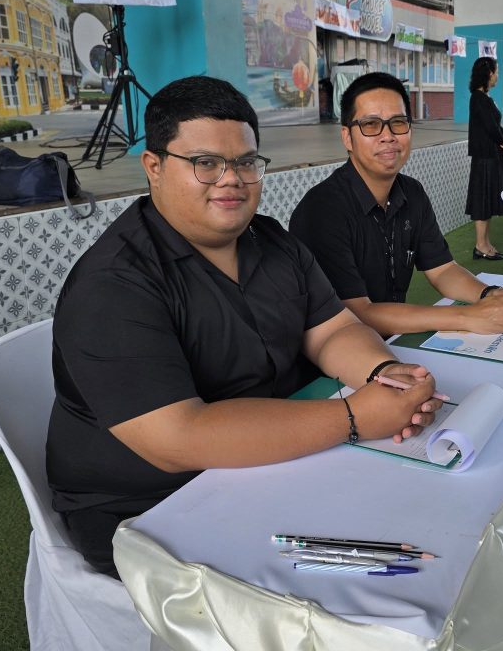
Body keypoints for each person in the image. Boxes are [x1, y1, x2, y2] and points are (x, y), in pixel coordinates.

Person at [47, 76, 443, 577]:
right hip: (154, 507)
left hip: (268, 461)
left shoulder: (271, 241)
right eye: (205, 163)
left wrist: (384, 375)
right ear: (154, 166)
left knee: (421, 515)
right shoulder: (114, 284)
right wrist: (355, 417)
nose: (230, 179)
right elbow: (179, 438)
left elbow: (332, 330)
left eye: (245, 162)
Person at [289, 71, 503, 338]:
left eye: (398, 122)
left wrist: (491, 295)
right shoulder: (321, 211)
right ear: (347, 137)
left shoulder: (412, 193)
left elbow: (442, 270)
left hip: (393, 341)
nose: (388, 136)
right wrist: (468, 316)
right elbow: (358, 313)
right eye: (371, 124)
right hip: (342, 351)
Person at [465, 57, 503, 260]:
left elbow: (495, 127)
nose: (497, 76)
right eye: (496, 71)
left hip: (491, 157)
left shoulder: (484, 98)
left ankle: (485, 243)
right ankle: (480, 246)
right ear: (489, 74)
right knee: (482, 202)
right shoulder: (478, 98)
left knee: (487, 202)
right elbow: (491, 128)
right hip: (484, 158)